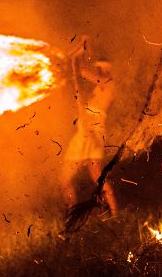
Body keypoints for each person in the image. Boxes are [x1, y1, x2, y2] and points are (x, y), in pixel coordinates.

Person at [60, 44, 118, 216]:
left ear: (110, 70)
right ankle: (72, 213)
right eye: (99, 67)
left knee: (97, 175)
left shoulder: (108, 83)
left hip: (93, 133)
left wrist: (80, 54)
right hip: (83, 132)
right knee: (64, 179)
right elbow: (83, 72)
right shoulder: (99, 87)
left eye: (104, 68)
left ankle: (114, 212)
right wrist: (78, 56)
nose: (100, 70)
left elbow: (84, 72)